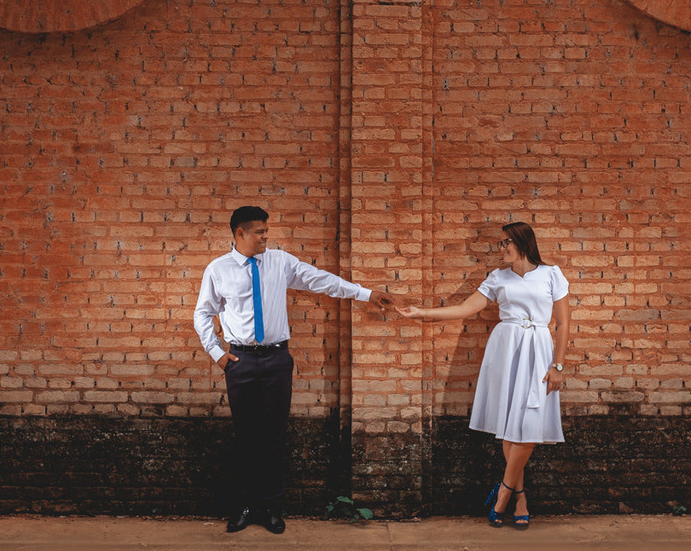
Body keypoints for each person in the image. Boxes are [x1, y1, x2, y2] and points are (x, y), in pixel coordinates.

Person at [193, 205, 394, 534]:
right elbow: (203, 314)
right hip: (240, 362)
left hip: (276, 361)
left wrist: (366, 294)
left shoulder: (280, 262)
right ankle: (245, 506)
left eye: (266, 230)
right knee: (246, 438)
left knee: (273, 437)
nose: (265, 236)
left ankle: (271, 507)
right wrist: (217, 354)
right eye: (259, 231)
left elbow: (321, 281)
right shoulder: (218, 270)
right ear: (240, 233)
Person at [396, 221, 570, 530]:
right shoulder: (497, 278)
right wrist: (421, 313)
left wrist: (558, 365)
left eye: (506, 243)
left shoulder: (551, 274)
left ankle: (503, 493)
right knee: (509, 427)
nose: (501, 248)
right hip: (506, 350)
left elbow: (563, 323)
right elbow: (465, 308)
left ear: (523, 243)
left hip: (539, 350)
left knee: (527, 426)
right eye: (500, 243)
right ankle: (520, 499)